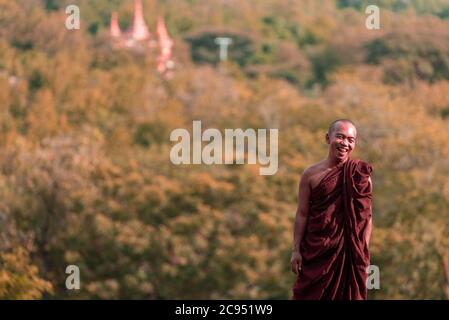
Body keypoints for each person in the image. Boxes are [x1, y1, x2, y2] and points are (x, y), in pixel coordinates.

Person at [291, 119, 373, 300]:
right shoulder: (311, 175)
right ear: (328, 138)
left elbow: (367, 219)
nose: (345, 143)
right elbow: (302, 214)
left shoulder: (360, 177)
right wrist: (296, 250)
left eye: (350, 140)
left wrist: (363, 253)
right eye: (340, 137)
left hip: (350, 254)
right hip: (317, 252)